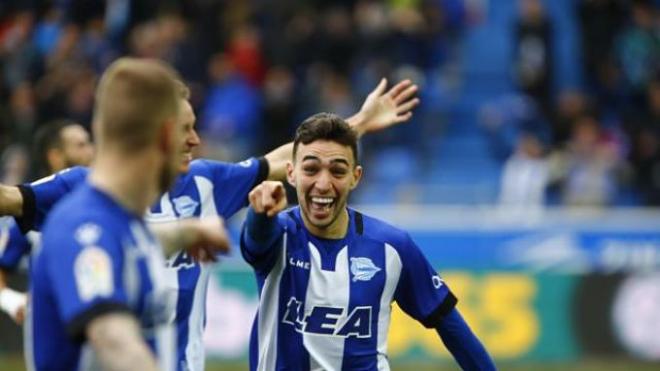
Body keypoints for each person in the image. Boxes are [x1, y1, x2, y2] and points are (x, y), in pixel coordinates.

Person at [0, 76, 420, 370]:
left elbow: (288, 160)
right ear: (157, 134)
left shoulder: (204, 183)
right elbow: (110, 329)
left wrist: (359, 124)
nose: (196, 140)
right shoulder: (80, 206)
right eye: (186, 129)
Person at [241, 113, 496, 370]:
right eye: (311, 169)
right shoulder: (280, 233)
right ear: (291, 174)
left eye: (338, 171)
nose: (323, 183)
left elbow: (452, 329)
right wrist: (260, 212)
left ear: (355, 177)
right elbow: (257, 240)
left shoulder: (392, 247)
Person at [28, 57, 231, 371]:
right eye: (186, 130)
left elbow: (130, 245)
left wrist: (188, 232)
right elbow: (112, 339)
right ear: (165, 136)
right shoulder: (82, 225)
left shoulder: (121, 224)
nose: (195, 141)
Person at [0, 120, 94, 325]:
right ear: (55, 156)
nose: (91, 151)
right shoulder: (27, 213)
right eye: (81, 145)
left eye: (90, 143)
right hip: (52, 330)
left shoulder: (109, 197)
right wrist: (11, 301)